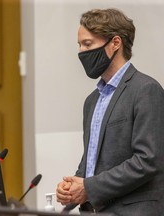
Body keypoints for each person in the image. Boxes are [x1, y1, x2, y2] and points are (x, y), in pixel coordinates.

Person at [56, 8, 164, 216]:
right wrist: (72, 188)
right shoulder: (91, 101)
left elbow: (148, 160)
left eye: (87, 44)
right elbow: (92, 163)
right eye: (79, 45)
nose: (81, 52)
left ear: (115, 43)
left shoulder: (146, 90)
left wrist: (88, 188)